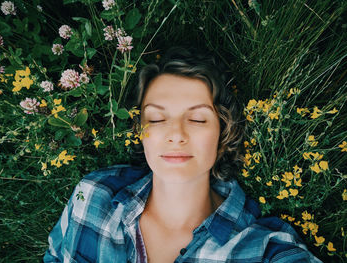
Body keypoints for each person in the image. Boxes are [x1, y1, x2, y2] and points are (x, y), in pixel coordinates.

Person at [44, 47, 322, 262]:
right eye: (155, 119)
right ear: (139, 131)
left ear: (223, 136)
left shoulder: (263, 250)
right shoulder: (92, 195)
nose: (176, 134)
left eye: (198, 120)